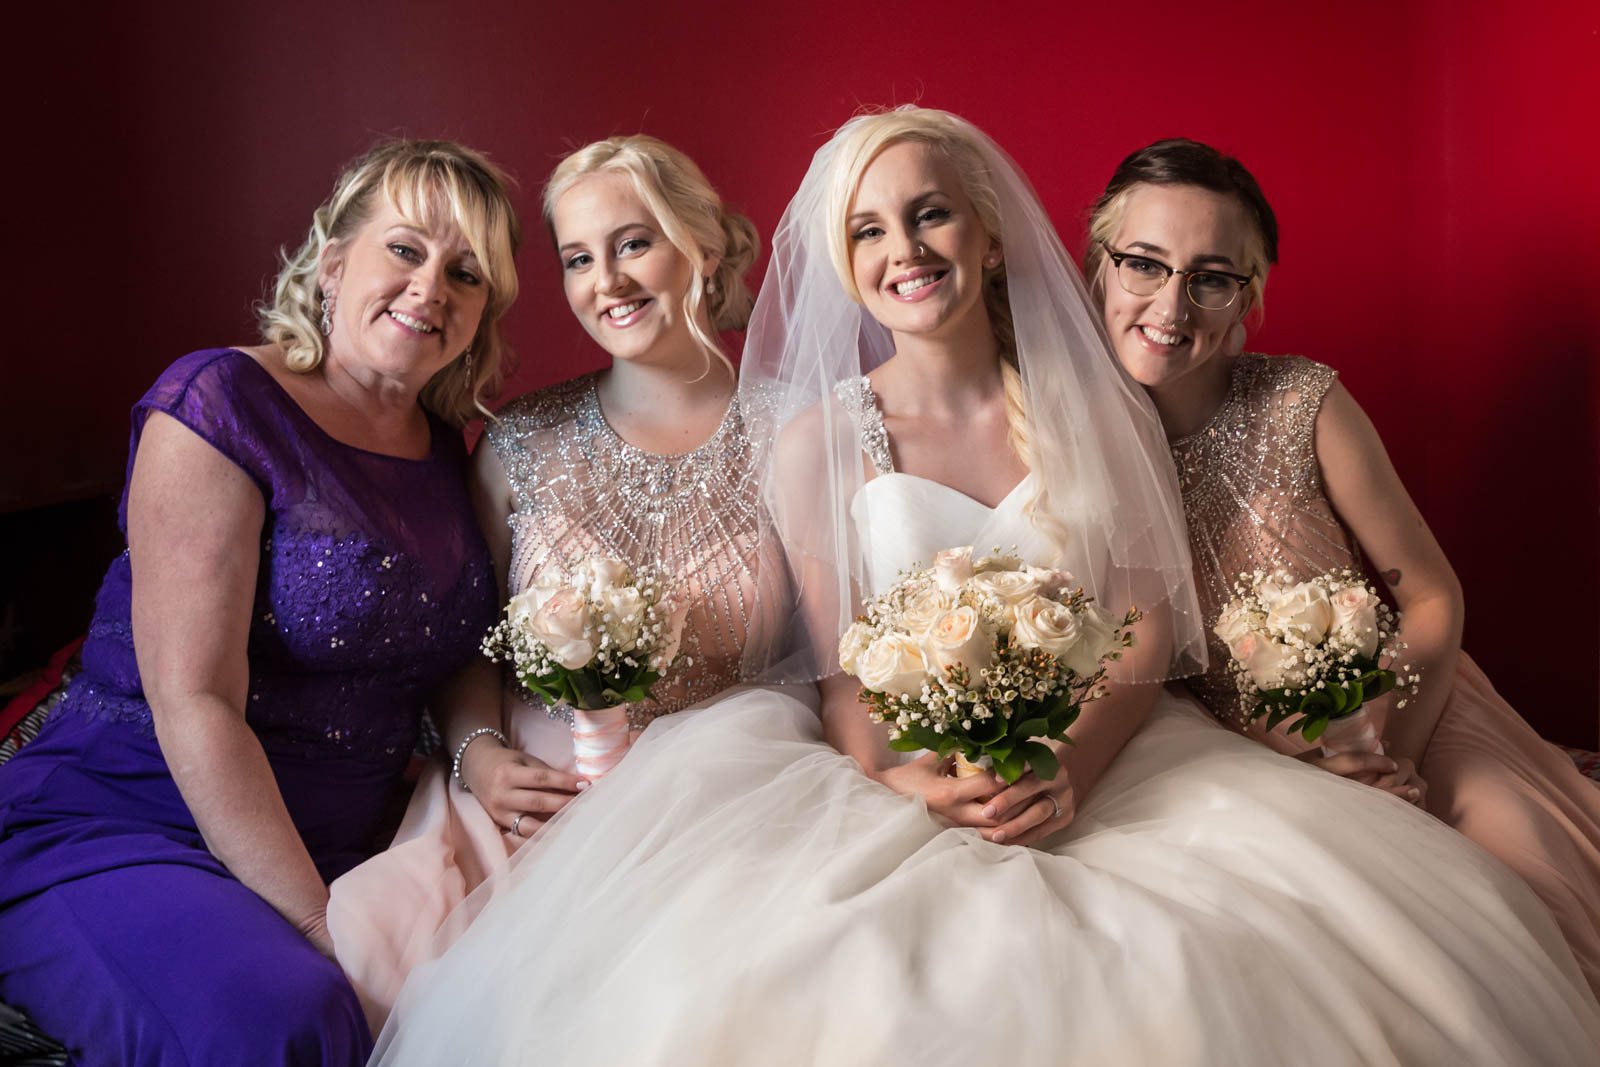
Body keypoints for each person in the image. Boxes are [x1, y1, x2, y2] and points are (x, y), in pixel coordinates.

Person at [373, 110, 1600, 1065]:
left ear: (991, 230)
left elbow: (1147, 624)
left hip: (1116, 749)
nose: (904, 250)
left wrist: (1075, 760)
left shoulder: (1091, 402)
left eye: (931, 217)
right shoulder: (817, 438)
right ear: (840, 261)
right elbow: (845, 668)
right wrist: (899, 774)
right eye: (869, 230)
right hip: (898, 768)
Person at [0, 139, 519, 1065]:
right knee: (289, 1019)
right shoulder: (219, 402)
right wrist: (325, 927)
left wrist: (479, 757)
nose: (431, 288)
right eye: (404, 249)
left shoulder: (451, 452)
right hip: (134, 822)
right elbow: (192, 699)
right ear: (331, 265)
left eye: (466, 272)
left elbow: (450, 655)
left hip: (358, 834)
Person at [1086, 135, 1600, 995]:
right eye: (1145, 263)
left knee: (1526, 903)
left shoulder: (1300, 400)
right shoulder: (1067, 438)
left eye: (1211, 276)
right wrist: (1285, 752)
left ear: (1249, 295)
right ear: (1099, 263)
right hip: (1238, 755)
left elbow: (1432, 594)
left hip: (1411, 702)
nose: (1172, 305)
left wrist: (1385, 742)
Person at [326, 133, 793, 1031]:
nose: (605, 281)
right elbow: (463, 640)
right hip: (533, 802)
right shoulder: (519, 442)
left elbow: (838, 656)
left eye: (632, 243)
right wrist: (478, 755)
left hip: (733, 798)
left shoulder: (795, 430)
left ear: (702, 244)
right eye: (578, 258)